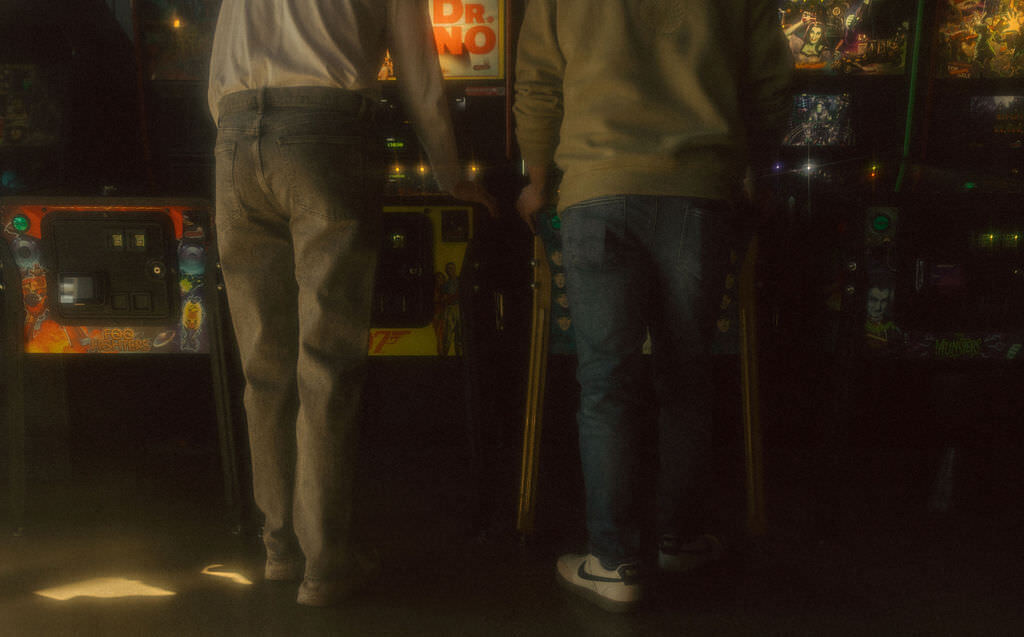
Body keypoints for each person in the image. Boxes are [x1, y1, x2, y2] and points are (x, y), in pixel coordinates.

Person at [208, 0, 496, 607]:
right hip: (325, 133)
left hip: (233, 138)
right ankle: (326, 563)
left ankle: (279, 548)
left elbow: (217, 69)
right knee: (325, 361)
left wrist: (240, 130)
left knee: (264, 365)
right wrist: (450, 172)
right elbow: (418, 72)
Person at [514, 0, 793, 613]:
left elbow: (537, 81)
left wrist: (538, 177)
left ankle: (612, 563)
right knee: (686, 376)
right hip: (701, 190)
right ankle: (681, 540)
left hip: (594, 189)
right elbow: (770, 81)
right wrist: (757, 173)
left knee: (606, 383)